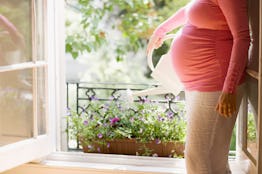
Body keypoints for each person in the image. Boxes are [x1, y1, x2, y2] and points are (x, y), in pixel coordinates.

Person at [147, 0, 250, 173]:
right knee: (215, 160)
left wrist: (229, 88)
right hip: (200, 81)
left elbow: (242, 38)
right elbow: (190, 10)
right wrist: (162, 29)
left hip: (216, 81)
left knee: (197, 157)